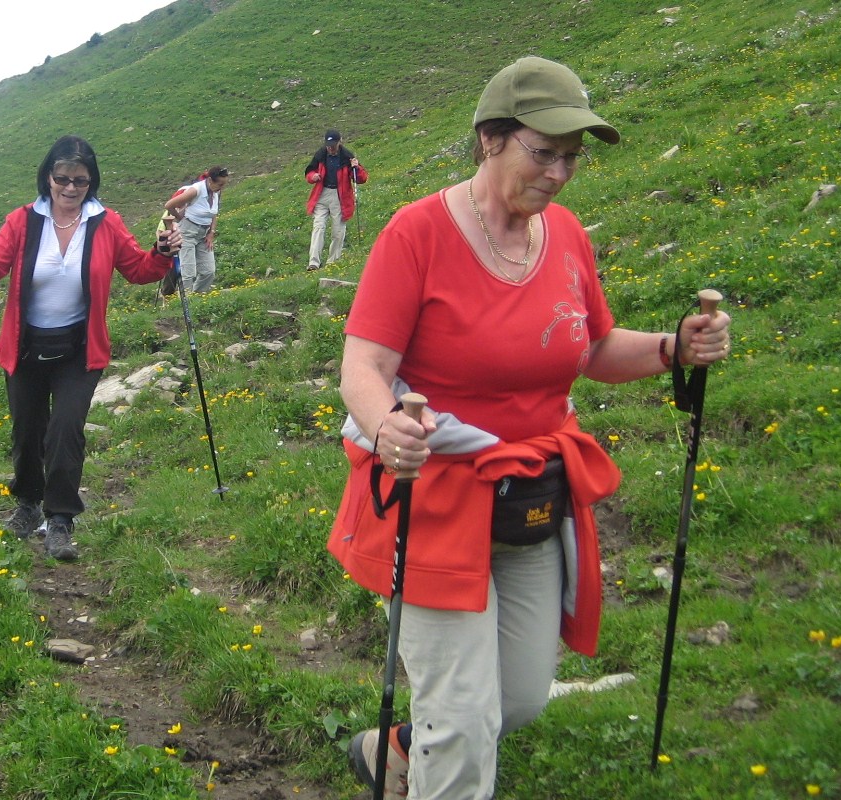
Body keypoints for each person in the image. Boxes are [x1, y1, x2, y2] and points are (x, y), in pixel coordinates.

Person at [327, 57, 732, 800]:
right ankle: (437, 752)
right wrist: (385, 428)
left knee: (517, 699)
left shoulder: (566, 235)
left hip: (529, 497)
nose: (559, 173)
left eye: (571, 158)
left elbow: (592, 348)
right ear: (490, 139)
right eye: (543, 152)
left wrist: (671, 347)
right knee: (463, 719)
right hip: (435, 494)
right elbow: (364, 365)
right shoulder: (416, 234)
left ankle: (398, 749)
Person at [0, 135, 181, 561]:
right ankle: (27, 504)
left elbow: (137, 270)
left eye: (80, 179)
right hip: (25, 347)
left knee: (65, 430)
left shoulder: (105, 222)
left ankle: (60, 518)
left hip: (79, 348)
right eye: (62, 178)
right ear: (48, 177)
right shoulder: (23, 220)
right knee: (27, 431)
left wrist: (161, 252)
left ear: (91, 181)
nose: (70, 187)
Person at [304, 129, 368, 270]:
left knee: (338, 231)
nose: (330, 148)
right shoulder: (321, 154)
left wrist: (356, 167)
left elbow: (361, 179)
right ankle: (313, 262)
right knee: (318, 226)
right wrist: (313, 176)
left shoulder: (347, 157)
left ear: (340, 142)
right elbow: (309, 171)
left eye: (333, 145)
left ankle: (332, 263)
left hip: (339, 197)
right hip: (322, 194)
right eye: (328, 145)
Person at [161, 166, 229, 294]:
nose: (221, 187)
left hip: (204, 234)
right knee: (188, 273)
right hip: (187, 232)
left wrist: (211, 233)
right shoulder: (196, 190)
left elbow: (214, 213)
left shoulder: (216, 192)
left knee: (209, 271)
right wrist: (179, 217)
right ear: (210, 180)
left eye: (224, 184)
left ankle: (197, 297)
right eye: (220, 184)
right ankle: (186, 300)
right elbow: (169, 205)